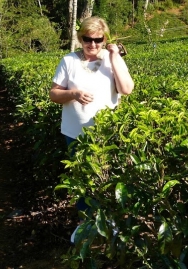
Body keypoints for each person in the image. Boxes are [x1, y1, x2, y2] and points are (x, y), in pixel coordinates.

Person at [49, 16, 134, 243]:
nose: (92, 44)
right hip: (75, 133)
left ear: (104, 39)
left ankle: (109, 221)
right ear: (80, 39)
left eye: (98, 40)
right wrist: (74, 94)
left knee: (108, 177)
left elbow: (126, 89)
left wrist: (115, 55)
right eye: (87, 39)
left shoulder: (111, 59)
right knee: (82, 179)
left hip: (106, 135)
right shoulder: (68, 61)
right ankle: (86, 223)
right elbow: (54, 94)